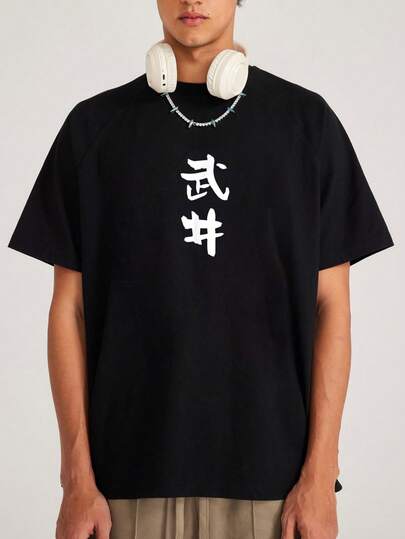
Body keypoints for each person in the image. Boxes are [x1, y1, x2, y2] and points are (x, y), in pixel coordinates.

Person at [7, 0, 395, 538]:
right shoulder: (93, 129)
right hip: (124, 489)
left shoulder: (307, 125)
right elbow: (68, 311)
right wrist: (77, 481)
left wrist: (319, 478)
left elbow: (332, 307)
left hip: (275, 492)